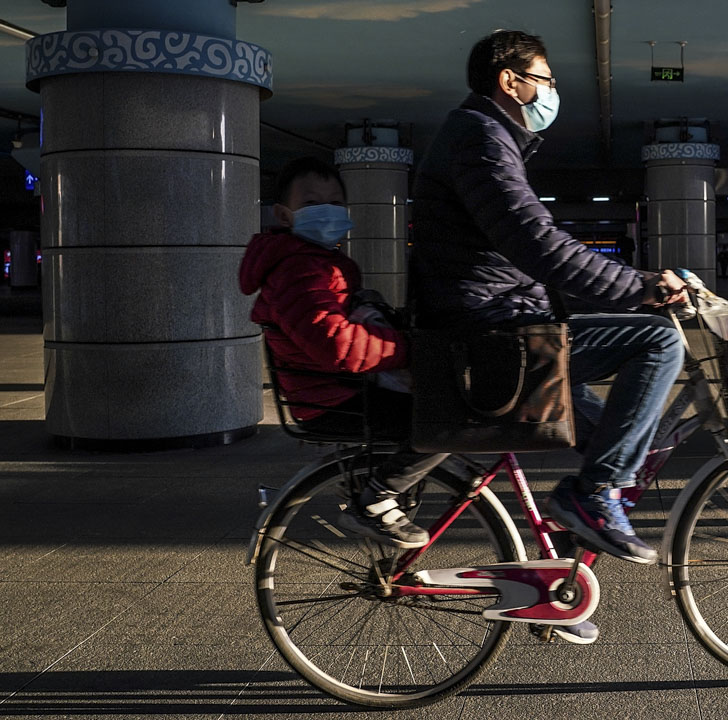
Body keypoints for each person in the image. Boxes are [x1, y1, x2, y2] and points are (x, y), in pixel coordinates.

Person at [409, 29, 686, 633]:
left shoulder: (488, 138)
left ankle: (553, 589)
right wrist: (638, 287)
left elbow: (531, 247)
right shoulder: (480, 140)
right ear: (511, 82)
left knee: (610, 442)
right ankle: (596, 496)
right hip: (491, 332)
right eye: (547, 80)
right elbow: (538, 245)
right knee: (658, 342)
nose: (552, 92)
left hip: (503, 318)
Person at [239, 157, 447, 550]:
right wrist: (407, 351)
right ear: (284, 215)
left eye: (336, 202)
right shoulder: (299, 270)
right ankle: (376, 500)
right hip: (333, 398)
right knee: (447, 417)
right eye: (313, 203)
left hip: (336, 389)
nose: (328, 211)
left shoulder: (313, 263)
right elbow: (336, 345)